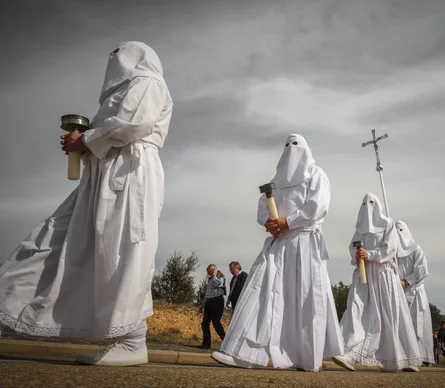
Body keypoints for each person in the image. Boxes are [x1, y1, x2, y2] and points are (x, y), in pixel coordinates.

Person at [0, 42, 172, 367]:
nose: (114, 59)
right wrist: (83, 142)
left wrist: (88, 140)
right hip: (100, 177)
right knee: (60, 239)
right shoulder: (116, 96)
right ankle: (11, 303)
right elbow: (110, 132)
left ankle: (134, 340)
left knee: (122, 249)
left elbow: (134, 126)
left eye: (120, 53)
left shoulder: (146, 83)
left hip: (130, 174)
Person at [211, 134, 344, 372]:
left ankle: (307, 358)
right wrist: (269, 223)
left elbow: (317, 206)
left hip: (305, 244)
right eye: (287, 145)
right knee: (260, 291)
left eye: (296, 145)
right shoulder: (276, 180)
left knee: (306, 300)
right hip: (278, 244)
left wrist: (289, 221)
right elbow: (264, 206)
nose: (291, 150)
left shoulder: (316, 174)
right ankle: (241, 351)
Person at [333, 193, 421, 373]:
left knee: (386, 316)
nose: (368, 207)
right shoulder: (359, 228)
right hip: (363, 275)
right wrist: (357, 255)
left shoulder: (388, 224)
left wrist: (370, 254)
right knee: (356, 310)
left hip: (383, 276)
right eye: (364, 203)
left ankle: (391, 358)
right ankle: (351, 353)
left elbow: (390, 248)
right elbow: (352, 247)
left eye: (371, 203)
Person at [395, 220, 435, 367]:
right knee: (400, 327)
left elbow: (422, 270)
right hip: (399, 294)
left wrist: (407, 281)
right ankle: (401, 357)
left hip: (415, 293)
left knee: (415, 326)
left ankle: (415, 358)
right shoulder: (393, 252)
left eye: (401, 231)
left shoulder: (416, 249)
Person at [199, 265, 227, 349]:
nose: (207, 273)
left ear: (213, 270)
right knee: (204, 323)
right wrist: (202, 305)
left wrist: (215, 275)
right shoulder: (210, 279)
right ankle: (206, 344)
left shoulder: (221, 276)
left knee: (216, 322)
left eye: (208, 271)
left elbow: (218, 284)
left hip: (217, 301)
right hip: (209, 302)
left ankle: (226, 342)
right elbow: (208, 293)